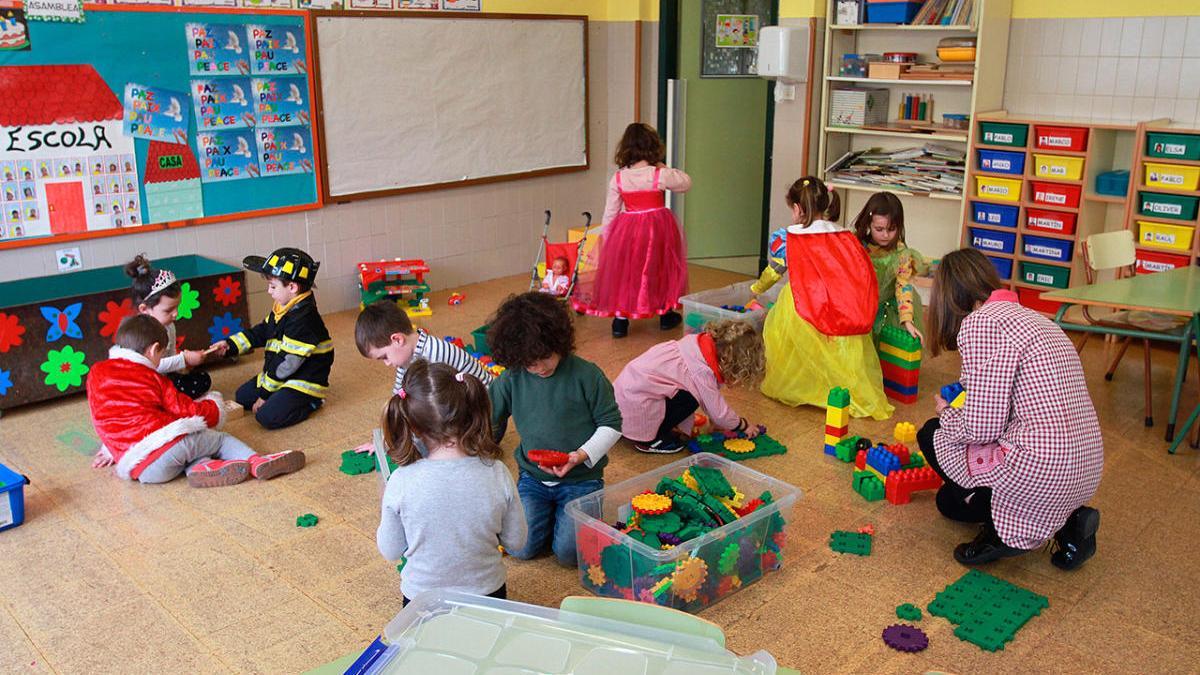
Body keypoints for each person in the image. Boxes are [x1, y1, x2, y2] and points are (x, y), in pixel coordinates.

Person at [919, 249, 1103, 570]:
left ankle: (1000, 534)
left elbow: (982, 429)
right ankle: (1066, 519)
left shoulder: (980, 325)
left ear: (948, 299)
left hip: (1040, 468)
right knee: (947, 502)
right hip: (1085, 467)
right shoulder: (1036, 320)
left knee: (932, 434)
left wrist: (947, 412)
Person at [87, 315, 305, 487]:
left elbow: (103, 417)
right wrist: (213, 404)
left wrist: (111, 449)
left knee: (195, 448)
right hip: (166, 447)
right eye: (160, 355)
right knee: (218, 440)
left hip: (142, 470)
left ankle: (203, 468)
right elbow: (187, 410)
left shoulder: (96, 373)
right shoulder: (151, 377)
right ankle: (257, 462)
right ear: (153, 349)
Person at [488, 292, 621, 566]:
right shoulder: (513, 377)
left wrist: (580, 456)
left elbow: (612, 424)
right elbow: (489, 421)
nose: (538, 368)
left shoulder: (587, 375)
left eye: (545, 357)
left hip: (581, 478)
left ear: (559, 342)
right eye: (528, 362)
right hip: (533, 478)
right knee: (519, 548)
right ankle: (550, 518)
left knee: (570, 555)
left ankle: (559, 519)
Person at [376, 361, 526, 606]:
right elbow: (517, 542)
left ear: (413, 425)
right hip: (488, 595)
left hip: (422, 600)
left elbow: (391, 550)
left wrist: (385, 502)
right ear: (471, 413)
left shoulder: (401, 481)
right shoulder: (497, 472)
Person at [754, 177, 892, 420]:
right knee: (834, 350)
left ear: (797, 209)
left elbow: (775, 271)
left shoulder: (788, 238)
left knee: (793, 344)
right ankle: (837, 392)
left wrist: (756, 288)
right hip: (840, 303)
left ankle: (802, 388)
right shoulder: (844, 235)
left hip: (803, 301)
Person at [572, 123, 691, 338]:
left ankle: (620, 322)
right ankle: (665, 314)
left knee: (626, 274)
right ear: (653, 146)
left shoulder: (618, 178)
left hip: (628, 231)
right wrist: (663, 167)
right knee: (660, 269)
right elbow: (685, 183)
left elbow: (610, 212)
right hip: (658, 230)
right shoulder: (658, 174)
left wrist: (607, 240)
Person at [209, 247, 334, 430]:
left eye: (273, 286)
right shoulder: (284, 307)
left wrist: (265, 395)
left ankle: (312, 402)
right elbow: (262, 332)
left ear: (292, 287)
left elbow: (286, 364)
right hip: (284, 372)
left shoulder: (303, 320)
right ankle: (276, 393)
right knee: (242, 396)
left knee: (266, 416)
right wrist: (230, 345)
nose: (269, 291)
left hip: (304, 380)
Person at [352, 300, 493, 453]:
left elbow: (437, 408)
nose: (386, 363)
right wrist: (385, 440)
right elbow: (400, 398)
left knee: (423, 446)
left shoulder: (433, 355)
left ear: (398, 339)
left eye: (384, 357)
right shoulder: (407, 357)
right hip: (457, 409)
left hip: (481, 419)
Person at [614, 320, 764, 454]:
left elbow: (713, 403)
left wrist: (718, 422)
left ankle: (639, 426)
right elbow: (718, 412)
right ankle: (648, 441)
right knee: (690, 398)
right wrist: (743, 426)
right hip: (638, 410)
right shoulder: (701, 371)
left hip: (621, 403)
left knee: (685, 392)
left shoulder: (694, 346)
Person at [123, 254, 211, 398]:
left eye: (177, 307)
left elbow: (170, 357)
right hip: (143, 384)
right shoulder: (141, 333)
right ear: (144, 309)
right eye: (168, 310)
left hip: (162, 379)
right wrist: (183, 359)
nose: (175, 314)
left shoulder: (169, 325)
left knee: (202, 379)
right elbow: (150, 366)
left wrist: (184, 365)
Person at [852, 192, 930, 345]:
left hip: (888, 311)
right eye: (879, 229)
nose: (886, 235)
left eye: (892, 229)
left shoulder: (901, 254)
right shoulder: (856, 245)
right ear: (868, 224)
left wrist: (907, 320)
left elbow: (903, 286)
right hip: (860, 308)